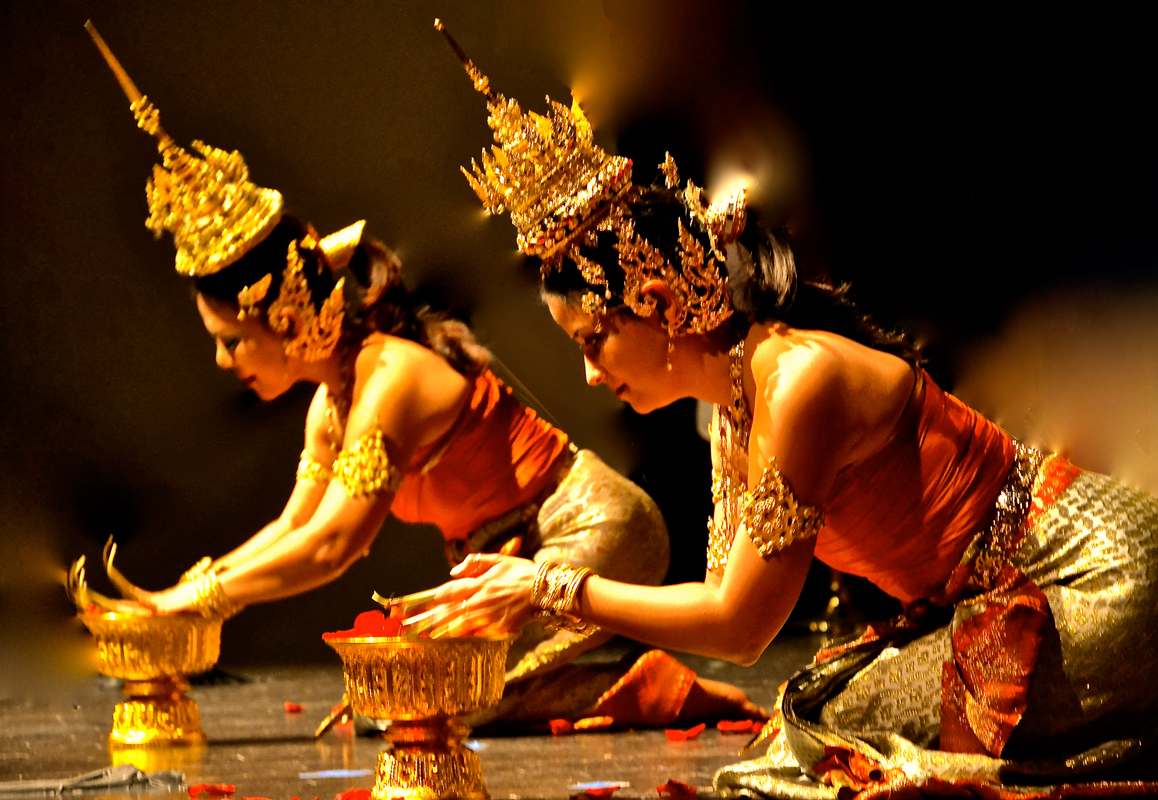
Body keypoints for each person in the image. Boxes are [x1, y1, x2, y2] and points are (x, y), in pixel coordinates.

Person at [423, 25, 1158, 794]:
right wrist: (541, 590)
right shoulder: (737, 401)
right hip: (1010, 594)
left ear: (657, 301)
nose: (588, 373)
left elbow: (740, 627)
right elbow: (721, 607)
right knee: (801, 730)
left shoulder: (798, 381)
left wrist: (549, 588)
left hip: (1094, 581)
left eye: (592, 339)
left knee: (805, 760)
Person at [83, 23, 757, 731]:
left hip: (594, 532)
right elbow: (295, 526)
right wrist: (188, 591)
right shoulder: (333, 405)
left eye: (232, 341)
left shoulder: (390, 377)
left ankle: (655, 690)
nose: (225, 363)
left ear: (284, 314)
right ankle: (623, 683)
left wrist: (201, 600)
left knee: (427, 697)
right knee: (401, 694)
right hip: (511, 559)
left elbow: (331, 546)